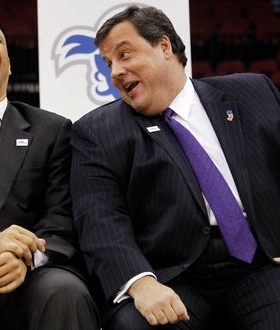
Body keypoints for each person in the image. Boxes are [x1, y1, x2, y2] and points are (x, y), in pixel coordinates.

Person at [70, 4, 280, 330]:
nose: (114, 72)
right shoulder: (96, 131)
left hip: (261, 263)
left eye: (125, 55)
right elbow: (100, 220)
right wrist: (140, 283)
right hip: (172, 275)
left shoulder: (253, 92)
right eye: (108, 63)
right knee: (133, 324)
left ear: (164, 47)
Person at [0, 17, 100, 330]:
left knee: (66, 292)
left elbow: (61, 218)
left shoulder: (53, 130)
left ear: (8, 65)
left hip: (29, 272)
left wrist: (25, 257)